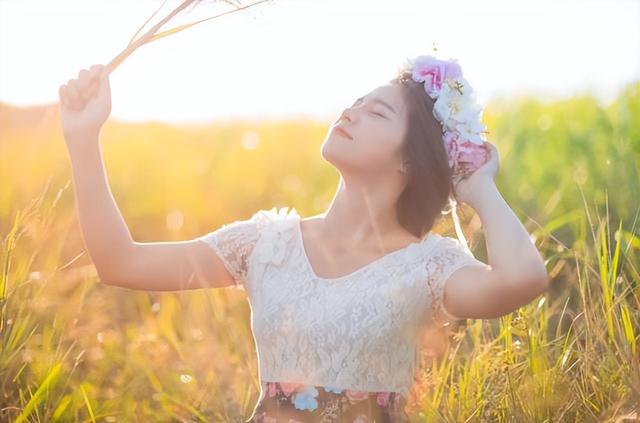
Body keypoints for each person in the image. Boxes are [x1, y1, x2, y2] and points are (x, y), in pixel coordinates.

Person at [58, 56, 550, 423]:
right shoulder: (264, 245)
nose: (351, 112)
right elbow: (120, 263)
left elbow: (522, 280)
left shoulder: (426, 266)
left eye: (376, 113)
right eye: (356, 102)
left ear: (409, 161)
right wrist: (83, 140)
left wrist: (478, 187)